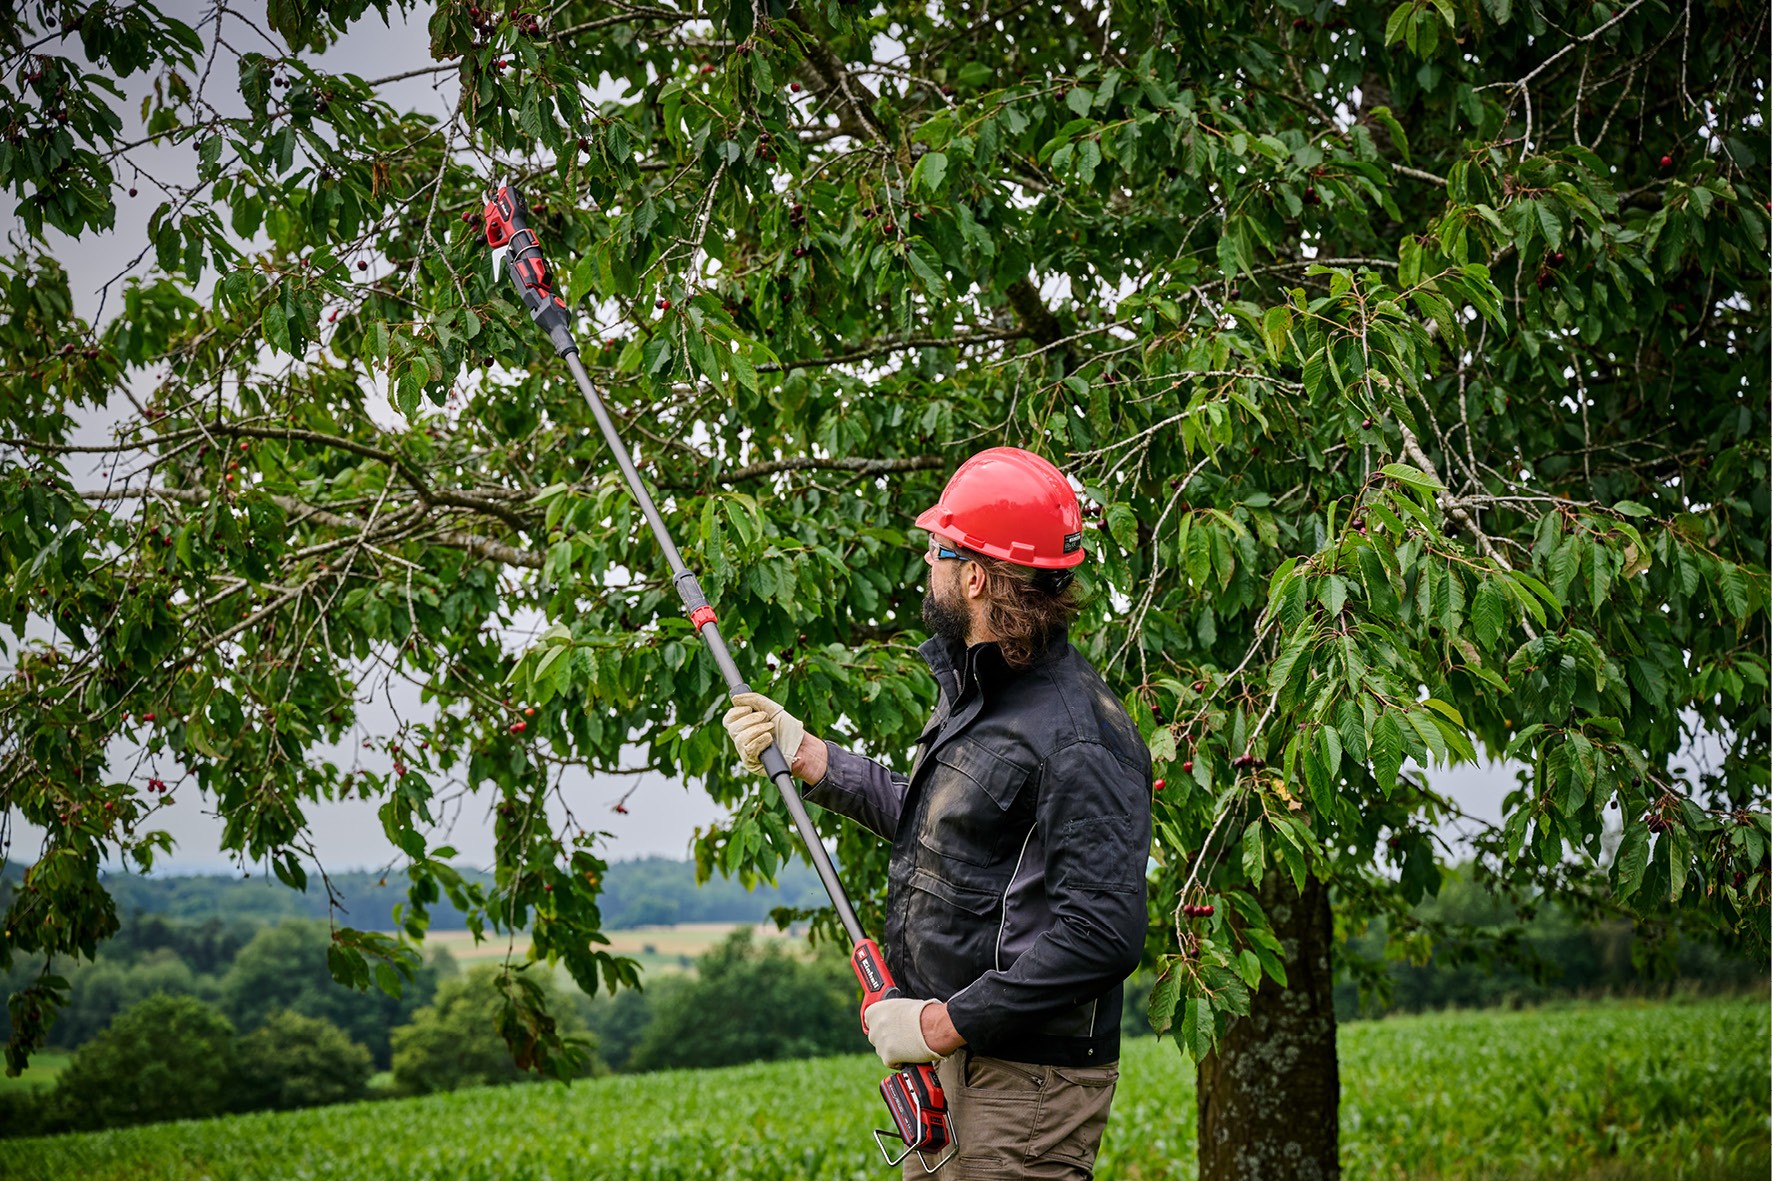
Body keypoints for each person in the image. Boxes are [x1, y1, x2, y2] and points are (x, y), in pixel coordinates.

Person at [722, 446, 1153, 1179]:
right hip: (956, 1065)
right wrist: (810, 755)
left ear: (976, 575)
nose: (928, 561)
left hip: (1025, 1088)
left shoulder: (1081, 733)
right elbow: (951, 835)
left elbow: (1102, 934)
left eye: (938, 549)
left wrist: (935, 1022)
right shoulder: (985, 691)